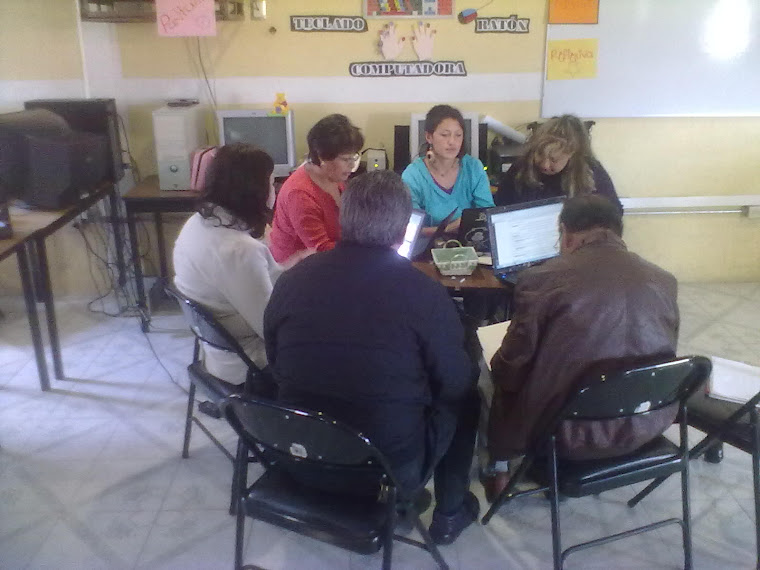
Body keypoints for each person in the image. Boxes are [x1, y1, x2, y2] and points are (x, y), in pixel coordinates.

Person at [264, 170, 481, 545]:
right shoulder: (424, 293)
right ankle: (450, 512)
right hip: (382, 472)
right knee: (467, 399)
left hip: (297, 455)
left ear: (343, 219)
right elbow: (456, 382)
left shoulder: (291, 280)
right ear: (403, 231)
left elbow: (275, 360)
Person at [484, 195, 679, 500]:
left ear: (566, 232)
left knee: (489, 372)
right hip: (645, 424)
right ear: (618, 231)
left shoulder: (540, 279)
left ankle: (499, 470)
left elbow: (510, 367)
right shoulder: (665, 281)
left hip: (565, 433)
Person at [173, 143, 307, 390]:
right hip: (249, 367)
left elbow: (262, 282)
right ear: (254, 191)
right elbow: (272, 331)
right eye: (271, 181)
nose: (274, 188)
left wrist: (296, 267)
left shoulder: (197, 224)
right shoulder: (239, 251)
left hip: (217, 354)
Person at [268, 113, 364, 262]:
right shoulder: (300, 194)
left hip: (331, 257)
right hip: (296, 269)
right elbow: (321, 251)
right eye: (346, 159)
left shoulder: (333, 176)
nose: (352, 165)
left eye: (354, 157)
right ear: (322, 156)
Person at [494, 114, 623, 213]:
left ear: (571, 154)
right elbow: (500, 206)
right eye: (539, 155)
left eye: (553, 160)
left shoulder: (591, 171)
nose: (544, 164)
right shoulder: (520, 168)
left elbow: (614, 213)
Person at [402, 104, 494, 235]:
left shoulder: (473, 167)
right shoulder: (413, 175)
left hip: (469, 244)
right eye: (445, 135)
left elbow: (487, 213)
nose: (452, 142)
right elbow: (409, 229)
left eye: (458, 135)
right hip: (427, 249)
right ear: (429, 137)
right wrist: (450, 228)